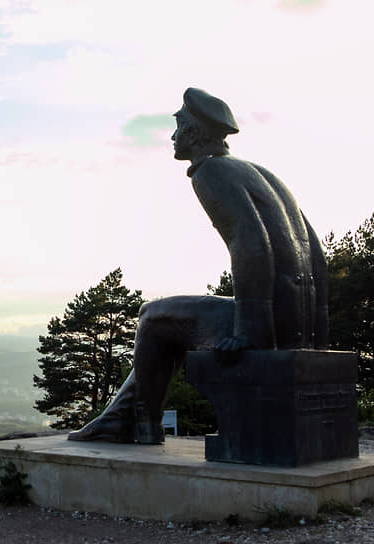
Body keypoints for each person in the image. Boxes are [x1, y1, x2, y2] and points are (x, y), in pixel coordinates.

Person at [68, 88, 328, 444]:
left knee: (151, 318)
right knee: (165, 320)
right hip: (296, 324)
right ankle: (120, 418)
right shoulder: (260, 173)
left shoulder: (211, 171)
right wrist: (316, 339)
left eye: (178, 127)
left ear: (194, 131)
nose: (173, 136)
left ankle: (137, 425)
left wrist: (248, 333)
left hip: (268, 326)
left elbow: (249, 242)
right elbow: (317, 254)